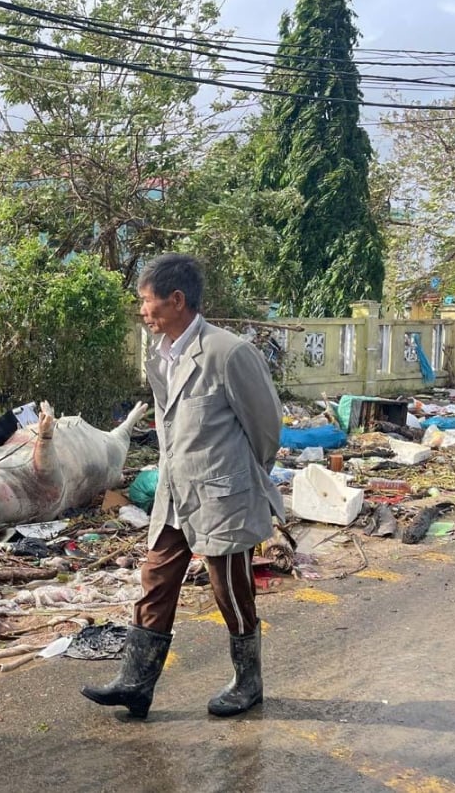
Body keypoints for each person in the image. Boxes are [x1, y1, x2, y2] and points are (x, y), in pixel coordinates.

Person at [82, 253, 284, 719]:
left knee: (229, 590)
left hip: (221, 495)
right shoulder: (162, 355)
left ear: (176, 300)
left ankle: (247, 682)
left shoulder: (228, 352)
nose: (142, 310)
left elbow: (266, 428)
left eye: (146, 300)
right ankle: (136, 682)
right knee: (156, 577)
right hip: (174, 491)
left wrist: (241, 480)